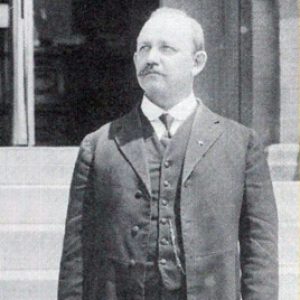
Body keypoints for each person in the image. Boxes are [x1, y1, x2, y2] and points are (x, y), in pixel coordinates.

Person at [58, 7, 278, 300]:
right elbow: (76, 257)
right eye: (144, 48)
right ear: (135, 58)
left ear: (197, 62)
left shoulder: (240, 145)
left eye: (167, 49)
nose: (151, 58)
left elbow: (259, 253)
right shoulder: (99, 146)